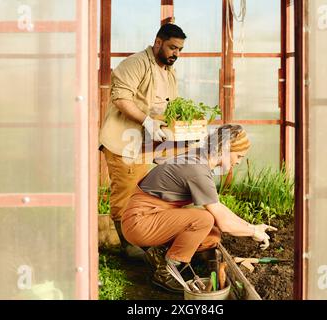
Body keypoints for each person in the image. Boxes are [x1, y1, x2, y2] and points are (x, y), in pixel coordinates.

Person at [121, 124, 278, 292]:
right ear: (224, 149)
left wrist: (252, 227)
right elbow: (224, 222)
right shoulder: (197, 169)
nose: (238, 161)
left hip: (151, 217)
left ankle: (159, 254)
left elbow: (219, 209)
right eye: (238, 155)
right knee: (205, 220)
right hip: (140, 222)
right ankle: (166, 273)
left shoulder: (198, 158)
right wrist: (254, 233)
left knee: (212, 235)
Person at [98, 24, 186, 260]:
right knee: (125, 192)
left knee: (142, 193)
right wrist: (147, 120)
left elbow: (170, 106)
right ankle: (126, 245)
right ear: (158, 42)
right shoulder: (136, 64)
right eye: (172, 47)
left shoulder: (168, 71)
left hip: (147, 144)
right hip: (122, 142)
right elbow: (121, 98)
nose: (175, 53)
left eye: (179, 49)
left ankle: (140, 236)